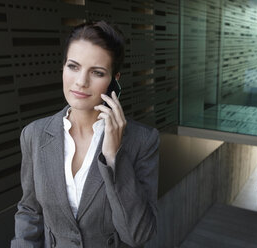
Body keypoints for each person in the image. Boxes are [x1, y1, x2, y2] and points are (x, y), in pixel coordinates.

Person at [11, 21, 159, 248]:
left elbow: (138, 235)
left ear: (114, 81)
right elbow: (29, 210)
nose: (81, 81)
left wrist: (113, 157)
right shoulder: (34, 135)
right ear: (63, 67)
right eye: (73, 66)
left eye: (97, 72)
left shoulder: (142, 141)